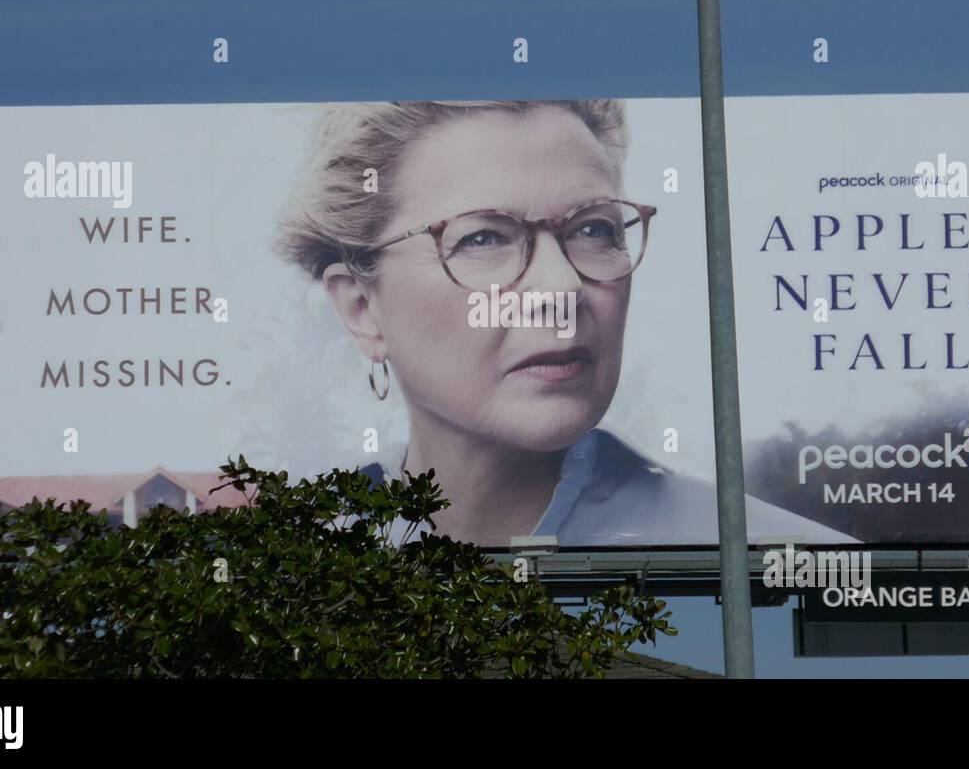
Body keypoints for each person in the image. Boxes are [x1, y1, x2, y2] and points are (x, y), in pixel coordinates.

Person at [278, 99, 856, 547]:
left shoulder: (781, 561)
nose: (561, 288)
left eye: (594, 229)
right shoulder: (279, 576)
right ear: (361, 308)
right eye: (482, 237)